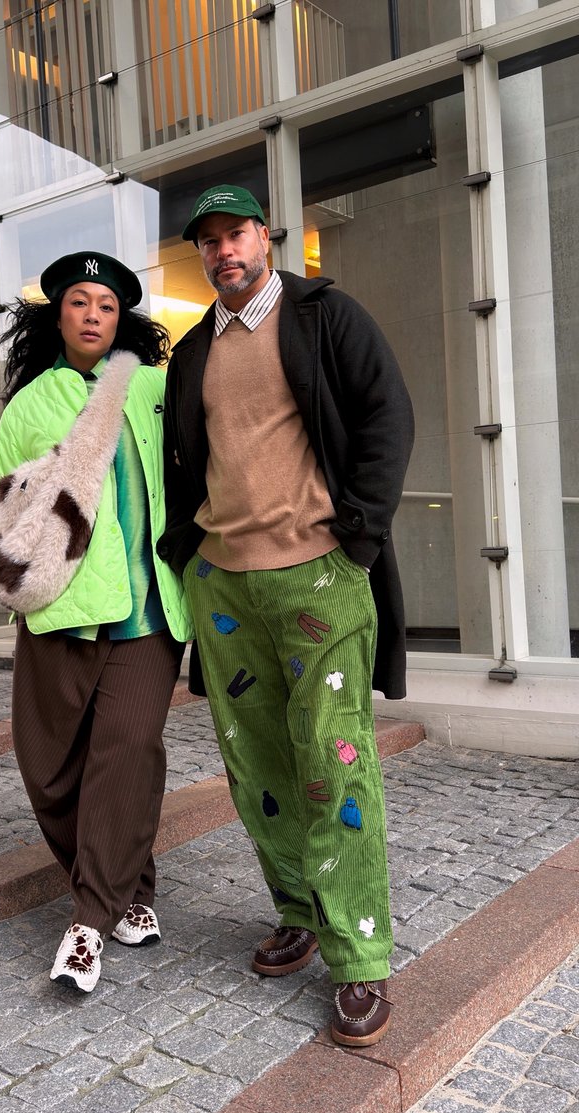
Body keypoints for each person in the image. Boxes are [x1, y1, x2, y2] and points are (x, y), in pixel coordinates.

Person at [157, 185, 414, 1046]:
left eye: (237, 233)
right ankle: (299, 909)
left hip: (320, 577)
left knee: (333, 762)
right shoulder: (193, 351)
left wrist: (360, 540)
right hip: (226, 586)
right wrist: (187, 558)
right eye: (209, 241)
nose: (224, 250)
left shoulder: (324, 315)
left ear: (266, 235)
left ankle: (360, 957)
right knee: (258, 767)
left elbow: (388, 416)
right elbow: (182, 465)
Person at [0, 251, 193, 994]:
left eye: (106, 306)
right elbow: (11, 508)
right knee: (47, 767)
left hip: (146, 611)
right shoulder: (28, 406)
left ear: (122, 320)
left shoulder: (154, 388)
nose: (93, 315)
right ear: (58, 314)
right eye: (80, 302)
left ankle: (89, 920)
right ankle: (131, 886)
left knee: (127, 749)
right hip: (61, 610)